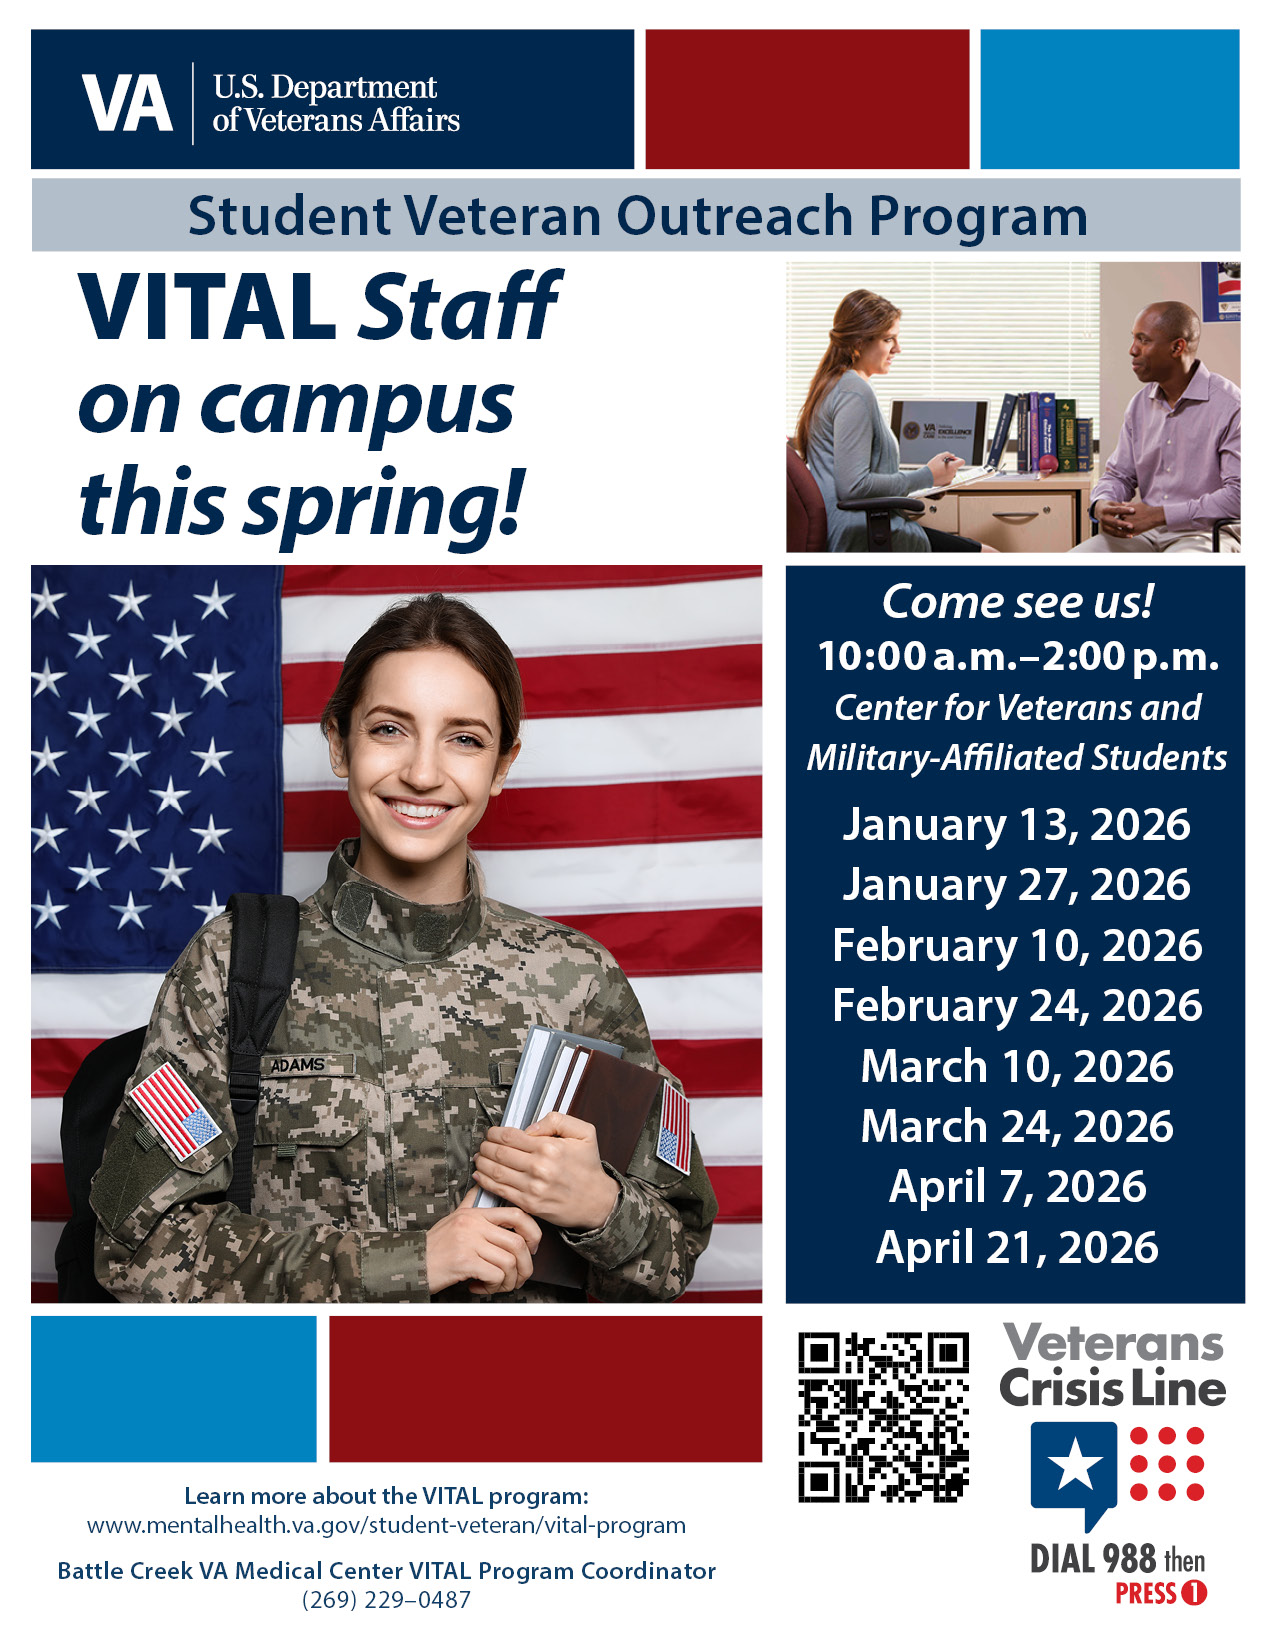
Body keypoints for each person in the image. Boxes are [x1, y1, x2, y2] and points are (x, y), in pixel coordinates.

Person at [91, 594, 717, 1303]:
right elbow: (140, 1254)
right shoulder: (233, 964)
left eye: (465, 739)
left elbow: (674, 1256)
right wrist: (414, 1259)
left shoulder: (578, 979)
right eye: (389, 729)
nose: (423, 773)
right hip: (312, 1391)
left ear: (502, 764)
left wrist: (600, 1207)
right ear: (338, 743)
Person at [794, 288, 995, 554]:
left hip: (856, 525)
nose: (898, 349)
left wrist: (927, 483)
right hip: (862, 531)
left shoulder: (833, 385)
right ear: (859, 343)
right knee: (991, 557)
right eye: (889, 339)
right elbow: (854, 487)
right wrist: (926, 475)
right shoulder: (854, 391)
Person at [1070, 301, 1240, 554]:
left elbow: (1240, 496)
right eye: (1133, 339)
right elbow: (1119, 475)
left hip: (1205, 534)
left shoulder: (1231, 405)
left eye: (1143, 340)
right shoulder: (1139, 404)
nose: (1132, 350)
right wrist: (1101, 503)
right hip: (1143, 534)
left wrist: (1162, 515)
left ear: (1177, 347)